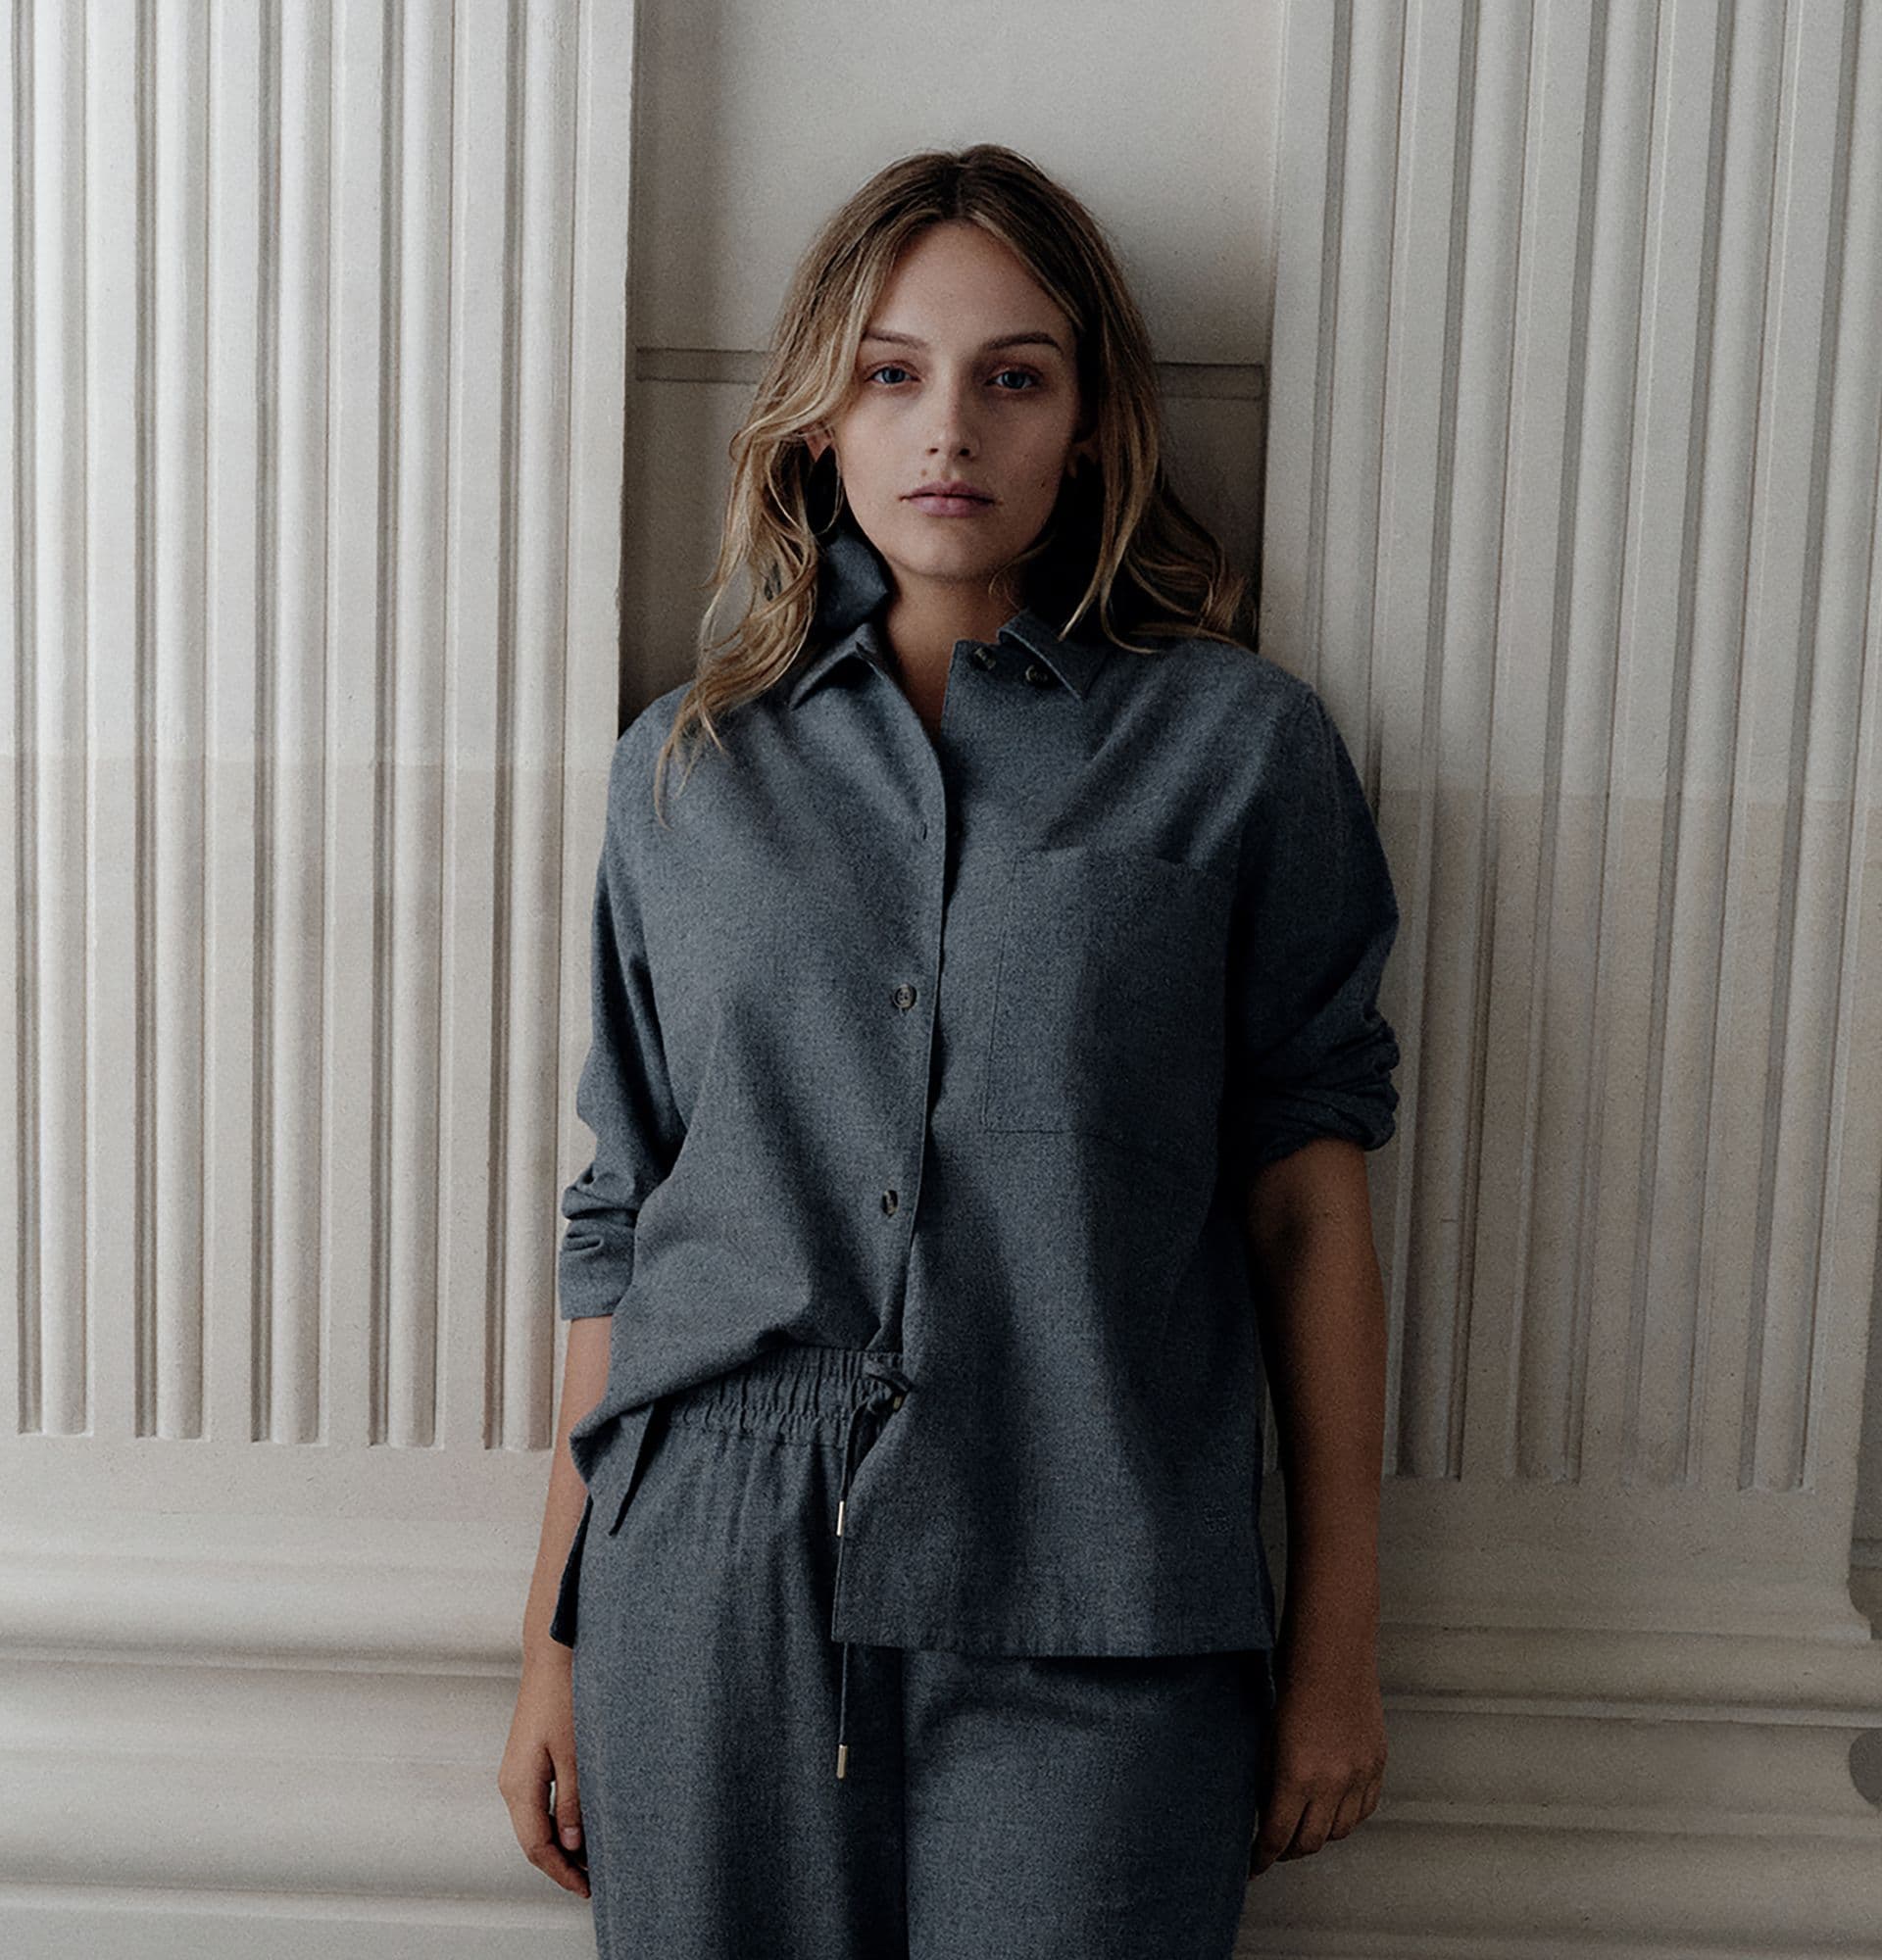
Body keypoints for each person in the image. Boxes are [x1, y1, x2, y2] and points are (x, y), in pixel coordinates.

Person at [499, 142, 1400, 1960]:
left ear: (1089, 418)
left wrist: (1338, 1652)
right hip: (710, 1583)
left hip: (1102, 1570)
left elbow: (1306, 1208)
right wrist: (554, 1648)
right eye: (892, 372)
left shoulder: (1240, 754)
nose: (949, 431)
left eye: (1015, 374)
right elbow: (629, 1216)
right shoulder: (687, 769)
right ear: (820, 415)